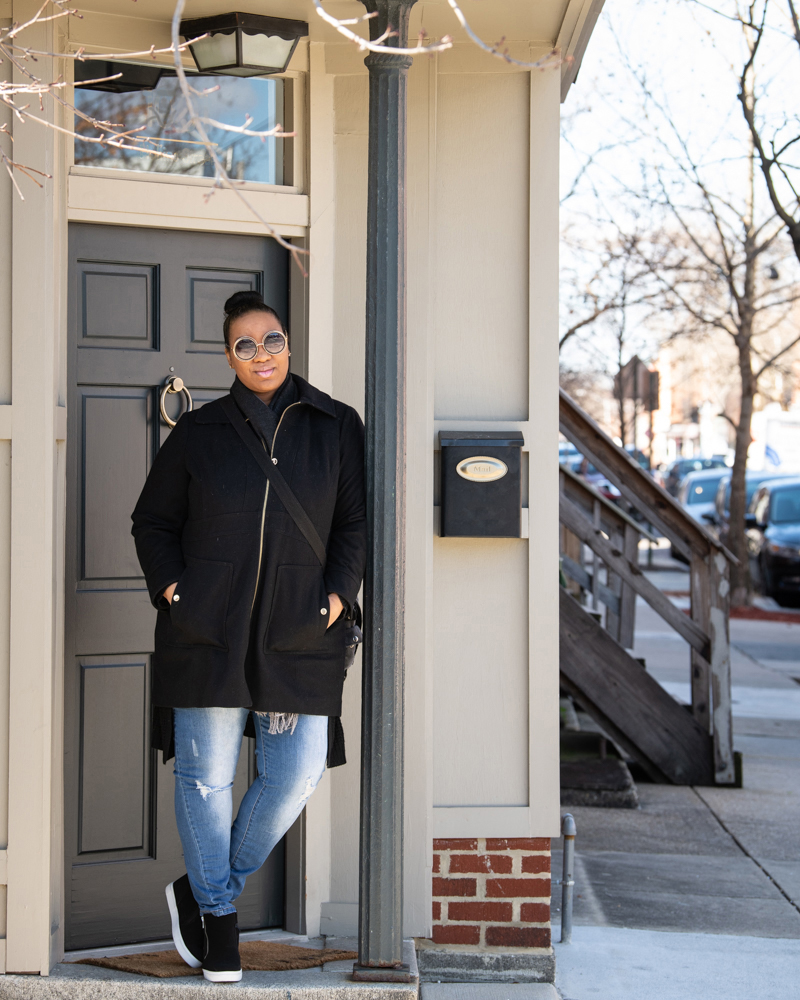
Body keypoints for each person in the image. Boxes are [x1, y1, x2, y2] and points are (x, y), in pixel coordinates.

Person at [131, 290, 366, 983]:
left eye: (272, 340)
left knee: (293, 774)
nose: (261, 354)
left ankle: (204, 893)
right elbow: (153, 522)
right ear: (227, 355)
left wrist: (335, 597)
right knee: (205, 781)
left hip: (301, 632)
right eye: (245, 344)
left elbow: (353, 522)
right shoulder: (199, 433)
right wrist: (177, 593)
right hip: (207, 633)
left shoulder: (335, 425)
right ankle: (222, 922)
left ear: (288, 344)